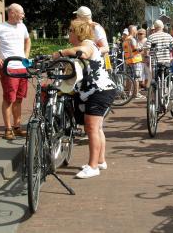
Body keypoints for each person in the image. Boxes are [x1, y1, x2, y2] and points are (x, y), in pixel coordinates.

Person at [53, 20, 116, 179]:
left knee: (92, 128)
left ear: (78, 32)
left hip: (98, 91)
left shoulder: (88, 44)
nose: (69, 34)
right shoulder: (89, 44)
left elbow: (84, 52)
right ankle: (100, 161)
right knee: (96, 128)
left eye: (71, 31)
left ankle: (93, 166)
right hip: (99, 90)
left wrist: (61, 52)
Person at [0, 3, 31, 140]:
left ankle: (17, 127)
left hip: (22, 67)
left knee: (19, 99)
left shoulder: (22, 26)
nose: (23, 15)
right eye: (21, 13)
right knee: (8, 99)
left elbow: (28, 40)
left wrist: (26, 55)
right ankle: (8, 129)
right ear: (12, 13)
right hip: (9, 68)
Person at [123, 25, 145, 99]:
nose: (136, 32)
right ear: (133, 31)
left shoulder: (126, 39)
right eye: (136, 30)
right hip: (135, 60)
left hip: (128, 60)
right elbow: (135, 49)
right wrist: (142, 48)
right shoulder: (132, 39)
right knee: (136, 78)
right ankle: (136, 94)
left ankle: (129, 93)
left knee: (129, 77)